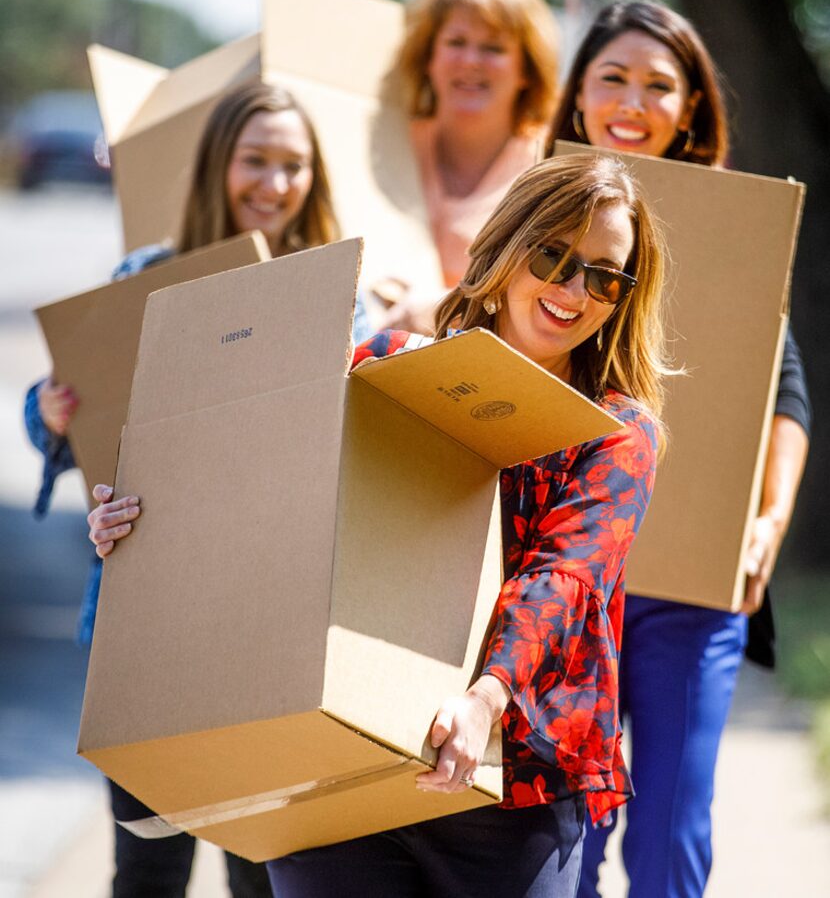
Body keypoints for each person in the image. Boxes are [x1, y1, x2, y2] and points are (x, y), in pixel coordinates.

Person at [90, 153, 672, 897]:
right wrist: (145, 519)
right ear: (505, 247)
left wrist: (482, 700)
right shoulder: (389, 367)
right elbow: (264, 485)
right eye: (552, 254)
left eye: (603, 275)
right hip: (339, 756)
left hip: (505, 783)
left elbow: (564, 575)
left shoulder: (617, 432)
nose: (570, 289)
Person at [25, 79, 369, 898]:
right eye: (257, 161)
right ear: (220, 164)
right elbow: (81, 425)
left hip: (271, 621)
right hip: (147, 618)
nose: (275, 184)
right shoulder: (147, 274)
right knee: (147, 867)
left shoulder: (338, 288)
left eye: (295, 166)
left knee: (262, 869)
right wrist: (49, 412)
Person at [545, 0, 812, 898]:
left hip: (694, 587)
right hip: (570, 577)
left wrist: (768, 520)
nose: (633, 100)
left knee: (669, 839)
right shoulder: (535, 211)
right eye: (612, 77)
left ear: (691, 106)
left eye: (659, 85)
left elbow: (784, 390)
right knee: (566, 835)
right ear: (577, 96)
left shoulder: (738, 231)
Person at [381, 0, 559, 327]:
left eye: (492, 48)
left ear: (526, 68)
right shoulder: (387, 146)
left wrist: (433, 310)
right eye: (456, 43)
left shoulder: (551, 169)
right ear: (429, 56)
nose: (470, 61)